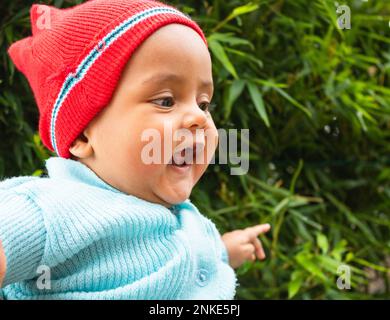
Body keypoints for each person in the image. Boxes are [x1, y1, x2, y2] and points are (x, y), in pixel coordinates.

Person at [0, 0, 270, 299]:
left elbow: (200, 255)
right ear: (83, 136)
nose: (198, 117)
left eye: (203, 103)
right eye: (166, 100)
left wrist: (227, 250)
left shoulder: (185, 218)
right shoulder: (51, 211)